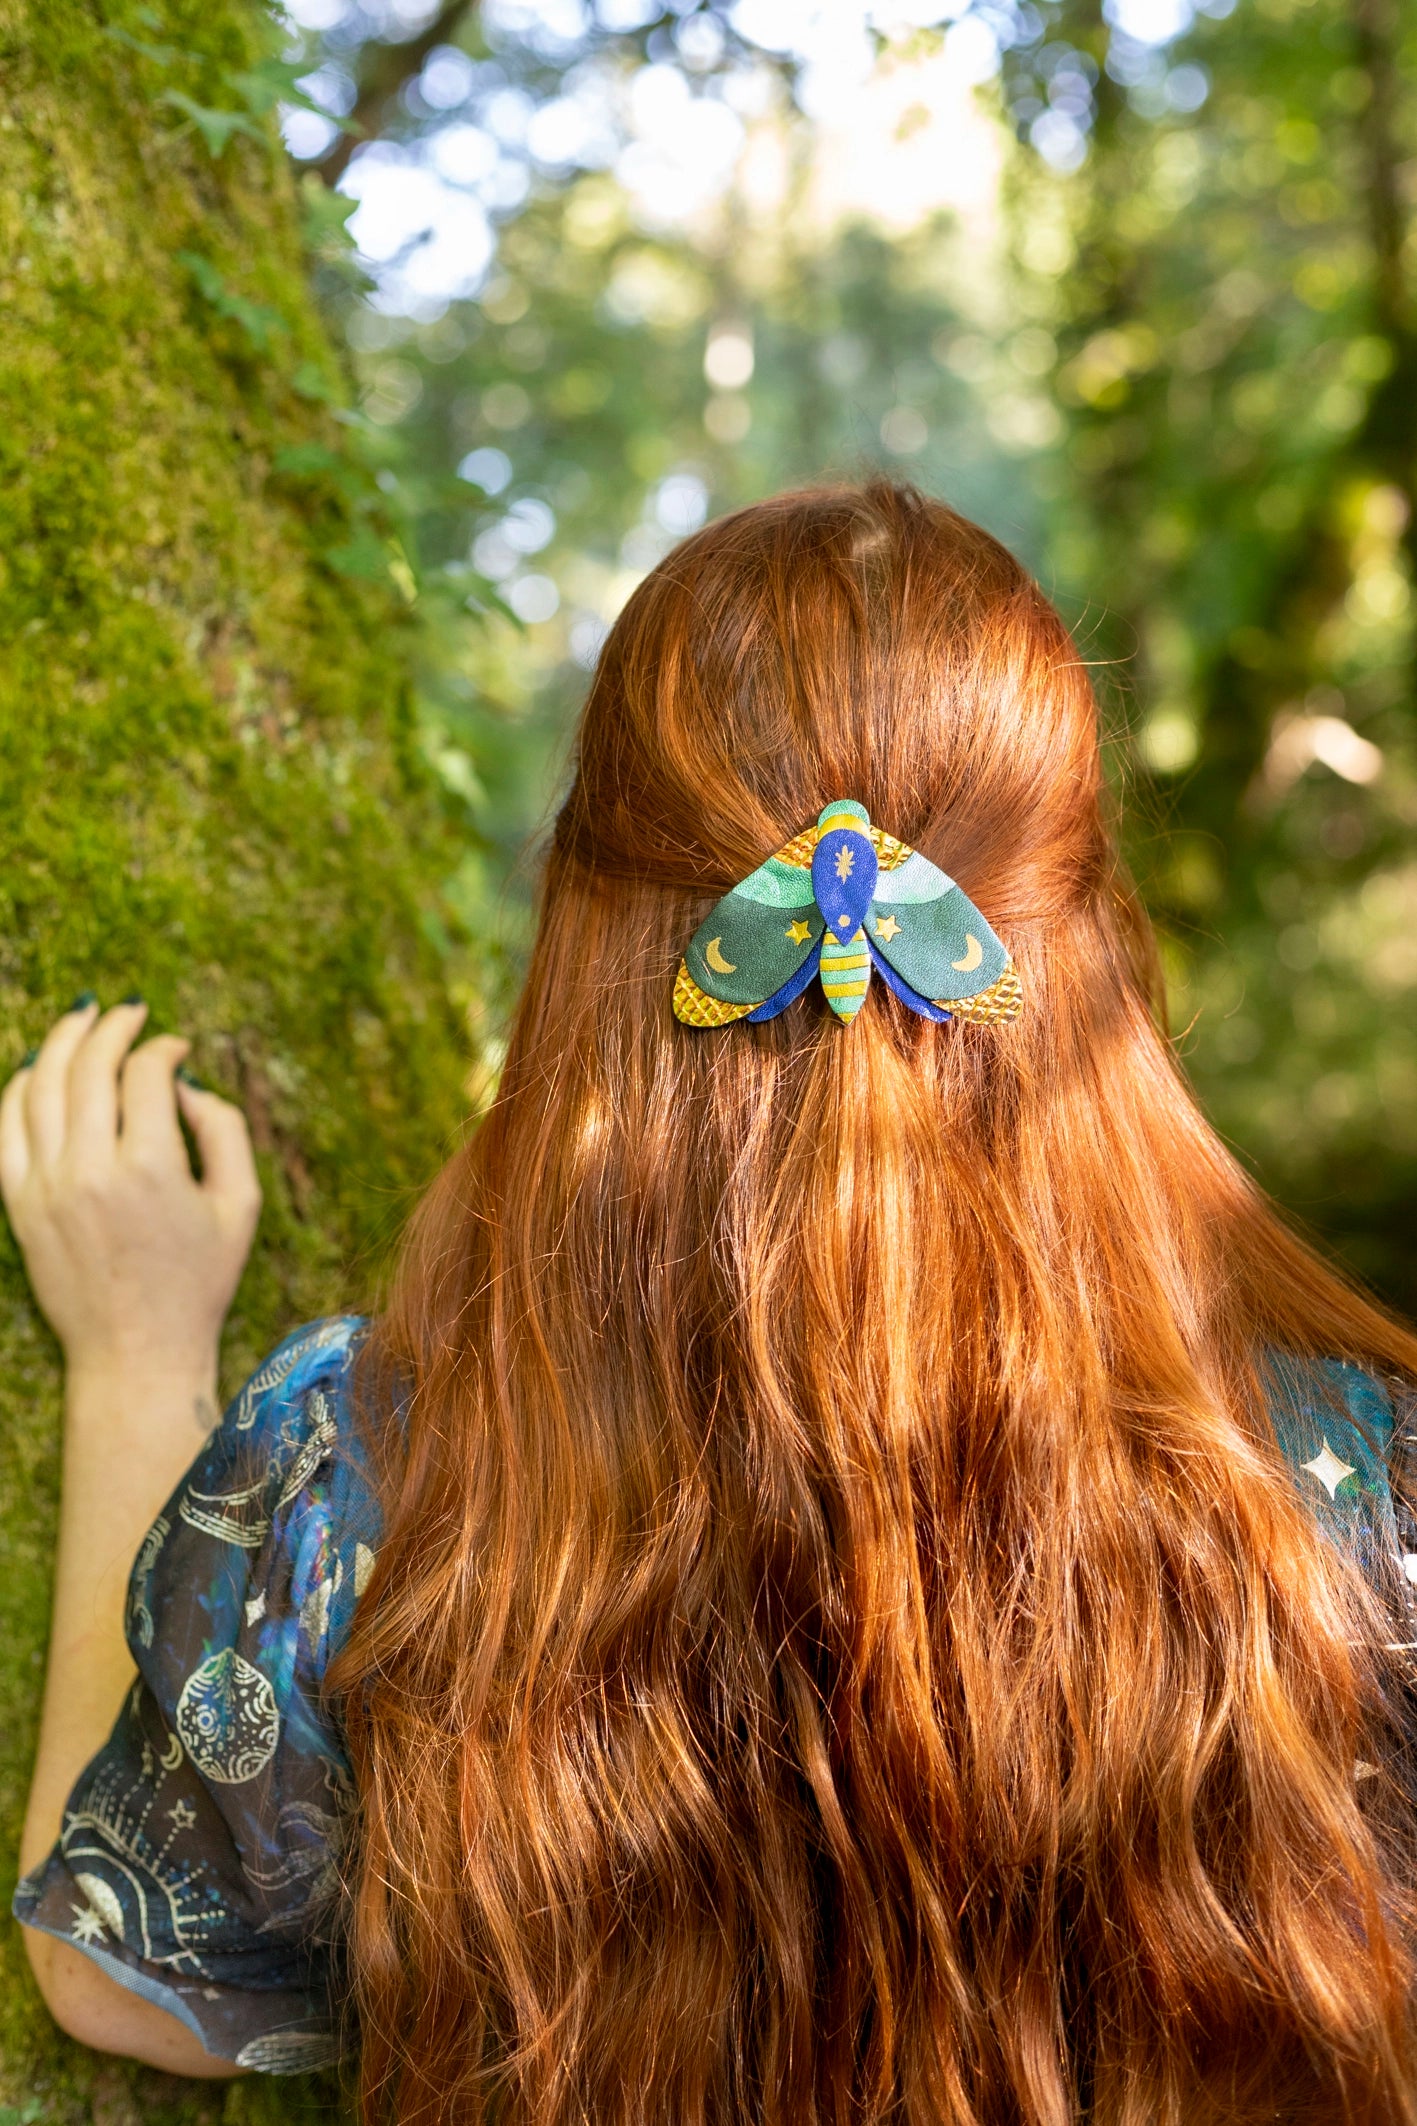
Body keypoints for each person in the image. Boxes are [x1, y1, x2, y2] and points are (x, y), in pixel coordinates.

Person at [6, 481, 1417, 2122]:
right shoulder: (1354, 1507)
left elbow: (120, 1975)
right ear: (1091, 933)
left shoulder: (368, 1488)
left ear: (584, 925)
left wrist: (134, 1354)